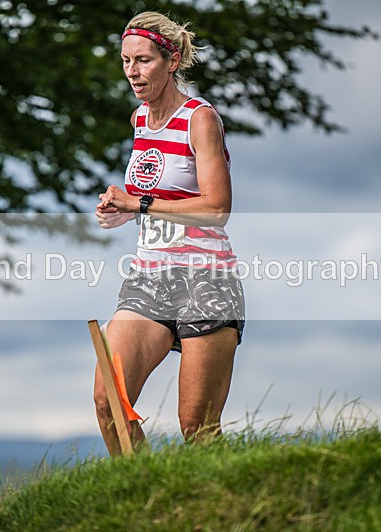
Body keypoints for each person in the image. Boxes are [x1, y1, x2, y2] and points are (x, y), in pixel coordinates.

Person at [94, 11, 245, 456]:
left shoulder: (200, 119)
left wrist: (137, 203)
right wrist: (123, 211)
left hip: (206, 277)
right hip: (149, 276)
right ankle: (142, 501)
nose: (132, 73)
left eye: (143, 61)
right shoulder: (140, 120)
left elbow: (218, 209)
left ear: (172, 60)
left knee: (196, 428)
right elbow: (158, 199)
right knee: (109, 401)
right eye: (125, 61)